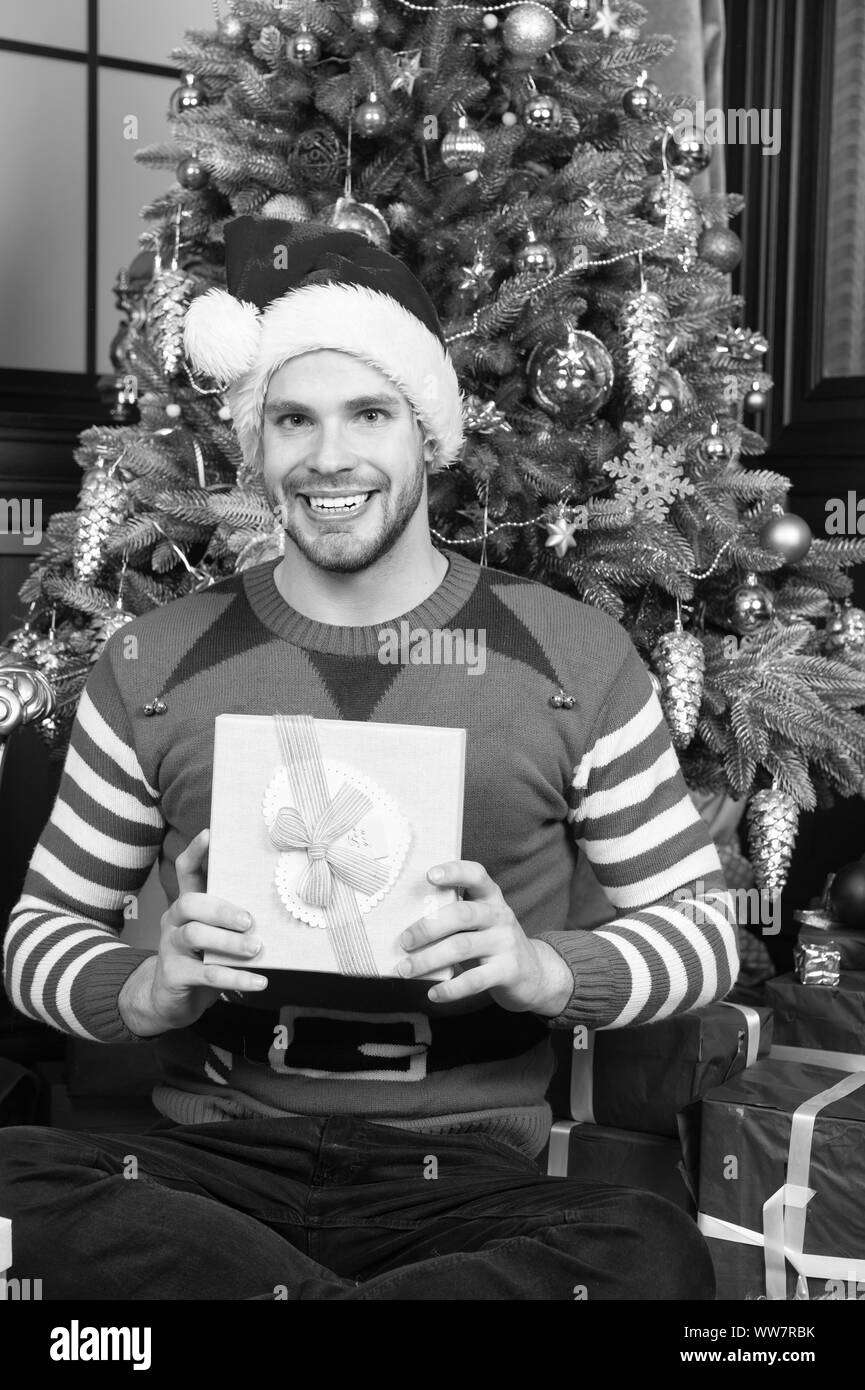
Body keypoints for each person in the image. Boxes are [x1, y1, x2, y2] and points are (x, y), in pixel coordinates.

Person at [0, 217, 737, 1301]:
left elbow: (704, 936)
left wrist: (544, 969)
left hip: (464, 1175)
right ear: (256, 445)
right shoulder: (150, 658)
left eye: (369, 414)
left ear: (427, 438)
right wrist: (146, 991)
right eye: (293, 418)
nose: (329, 456)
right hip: (210, 1163)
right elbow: (35, 939)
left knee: (646, 1255)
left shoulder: (571, 653)